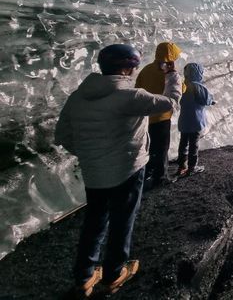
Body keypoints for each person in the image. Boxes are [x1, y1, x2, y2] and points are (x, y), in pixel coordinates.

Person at [54, 44, 181, 297]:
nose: (135, 70)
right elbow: (170, 103)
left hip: (95, 172)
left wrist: (93, 154)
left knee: (95, 221)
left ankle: (84, 277)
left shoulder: (78, 96)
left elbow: (62, 135)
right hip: (128, 170)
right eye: (133, 66)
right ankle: (113, 274)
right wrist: (172, 76)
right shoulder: (131, 96)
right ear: (125, 67)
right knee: (122, 221)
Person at [135, 42, 183, 189]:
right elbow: (179, 92)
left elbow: (137, 89)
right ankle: (160, 177)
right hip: (162, 116)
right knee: (162, 148)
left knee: (148, 147)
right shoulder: (169, 73)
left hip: (146, 117)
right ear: (172, 57)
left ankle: (147, 173)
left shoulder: (146, 70)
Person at [176, 63, 214, 176]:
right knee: (194, 144)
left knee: (183, 143)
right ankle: (192, 167)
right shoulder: (198, 86)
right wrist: (211, 101)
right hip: (195, 120)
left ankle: (182, 166)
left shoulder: (182, 85)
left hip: (184, 120)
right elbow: (206, 100)